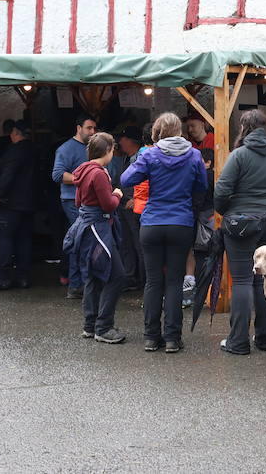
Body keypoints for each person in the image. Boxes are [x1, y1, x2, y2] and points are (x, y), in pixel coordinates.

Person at [121, 113, 208, 353]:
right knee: (174, 281)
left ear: (157, 132)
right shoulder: (194, 155)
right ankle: (172, 338)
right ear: (179, 131)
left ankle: (151, 337)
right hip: (181, 223)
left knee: (153, 281)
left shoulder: (149, 154)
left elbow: (126, 178)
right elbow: (201, 186)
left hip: (152, 223)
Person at [213, 110, 266, 356]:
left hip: (242, 223)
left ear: (244, 129)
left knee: (244, 280)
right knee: (265, 279)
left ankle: (238, 341)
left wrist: (229, 212)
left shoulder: (239, 156)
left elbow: (221, 192)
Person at [65, 132, 127, 345]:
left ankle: (89, 325)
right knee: (116, 275)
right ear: (108, 151)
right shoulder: (99, 173)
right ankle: (104, 327)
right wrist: (117, 194)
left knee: (93, 275)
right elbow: (108, 205)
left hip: (85, 227)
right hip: (97, 229)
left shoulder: (82, 170)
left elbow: (77, 202)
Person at [0, 121, 35, 291]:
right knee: (24, 240)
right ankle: (23, 277)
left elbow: (10, 175)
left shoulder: (14, 152)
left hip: (11, 203)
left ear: (16, 133)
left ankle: (2, 277)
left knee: (5, 240)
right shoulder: (35, 150)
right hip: (30, 203)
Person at [52, 114, 96, 298]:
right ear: (78, 128)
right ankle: (81, 285)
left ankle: (76, 285)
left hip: (88, 201)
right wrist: (83, 178)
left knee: (81, 241)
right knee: (83, 240)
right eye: (89, 128)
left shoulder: (93, 147)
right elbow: (57, 175)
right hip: (72, 200)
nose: (93, 132)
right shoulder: (66, 149)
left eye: (95, 128)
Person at [111, 126, 145, 287]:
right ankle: (130, 276)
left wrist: (135, 200)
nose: (119, 142)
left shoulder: (142, 157)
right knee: (126, 243)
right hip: (123, 205)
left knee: (138, 243)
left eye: (122, 139)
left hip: (134, 207)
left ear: (130, 141)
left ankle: (142, 278)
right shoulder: (126, 158)